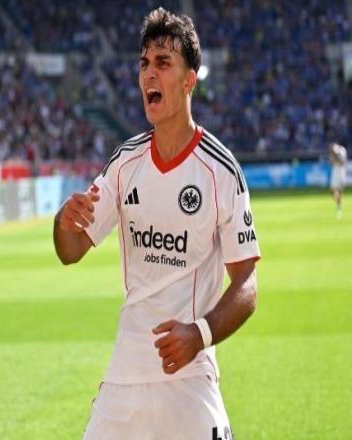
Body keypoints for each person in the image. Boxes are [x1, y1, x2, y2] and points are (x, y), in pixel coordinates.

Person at [53, 8, 260, 440]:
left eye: (163, 63)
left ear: (189, 80)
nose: (150, 73)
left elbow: (247, 284)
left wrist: (199, 335)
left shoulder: (220, 170)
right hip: (126, 376)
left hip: (190, 375)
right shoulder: (124, 163)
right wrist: (64, 221)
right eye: (144, 63)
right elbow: (70, 251)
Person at [329, 142, 348, 218]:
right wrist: (333, 155)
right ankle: (338, 204)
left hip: (341, 172)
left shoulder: (342, 150)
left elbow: (343, 162)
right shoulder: (332, 153)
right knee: (332, 190)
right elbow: (331, 162)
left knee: (339, 190)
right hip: (335, 172)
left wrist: (337, 154)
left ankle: (339, 207)